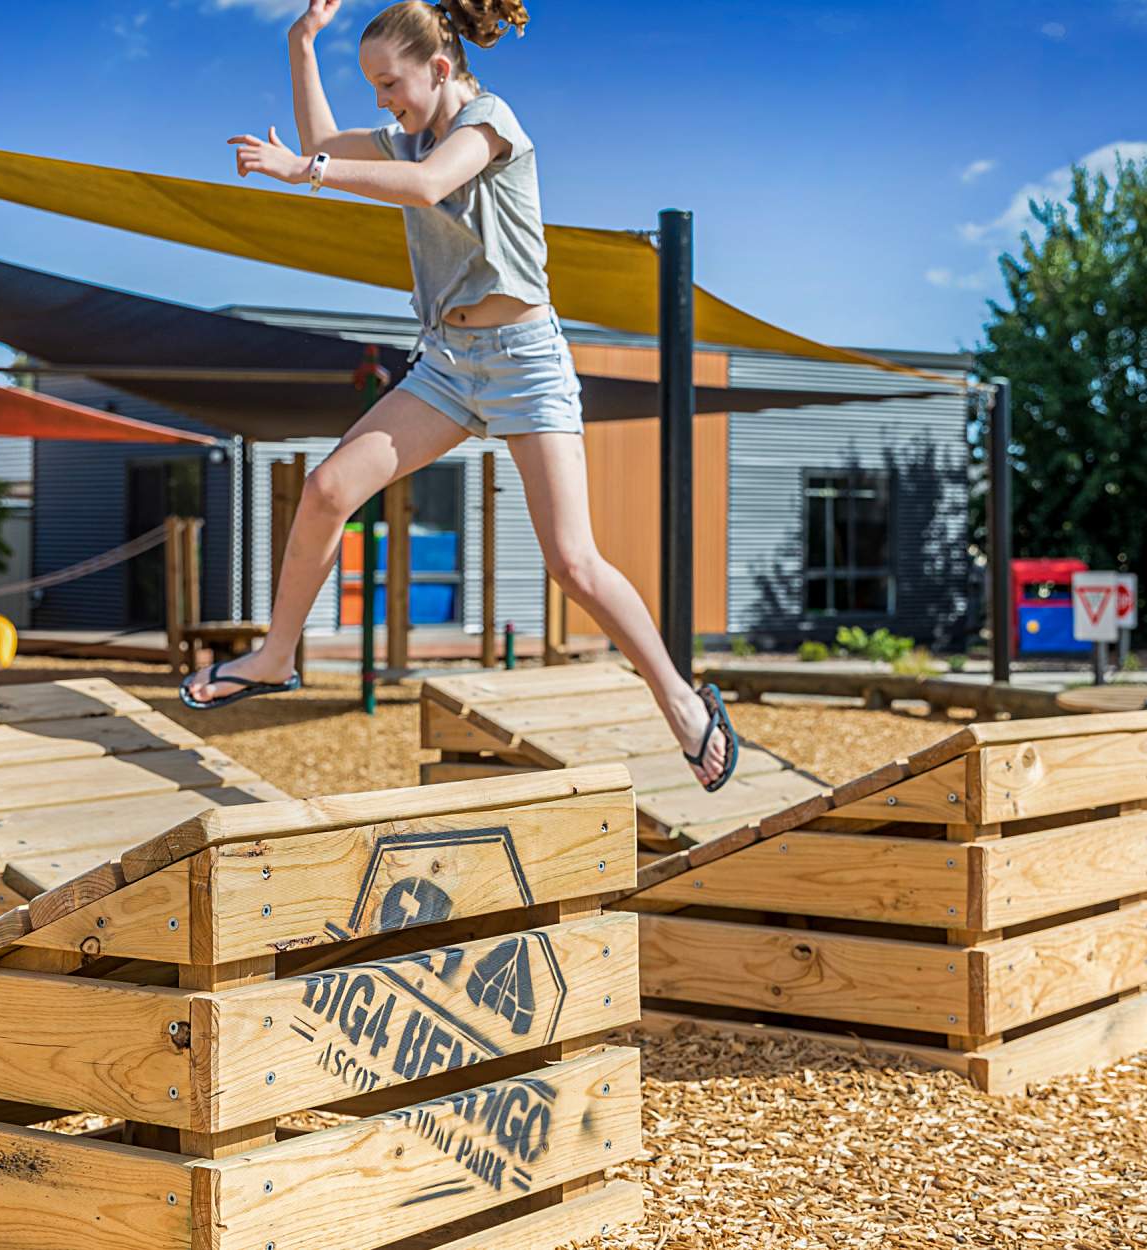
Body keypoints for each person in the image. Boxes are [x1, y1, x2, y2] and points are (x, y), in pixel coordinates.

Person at [180, 0, 739, 790]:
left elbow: (423, 185)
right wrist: (301, 43)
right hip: (447, 363)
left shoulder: (488, 122)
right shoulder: (405, 136)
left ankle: (681, 701)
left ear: (439, 69)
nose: (383, 102)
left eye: (389, 84)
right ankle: (275, 658)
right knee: (327, 490)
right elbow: (321, 143)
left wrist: (308, 173)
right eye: (374, 87)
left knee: (573, 562)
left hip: (526, 362)